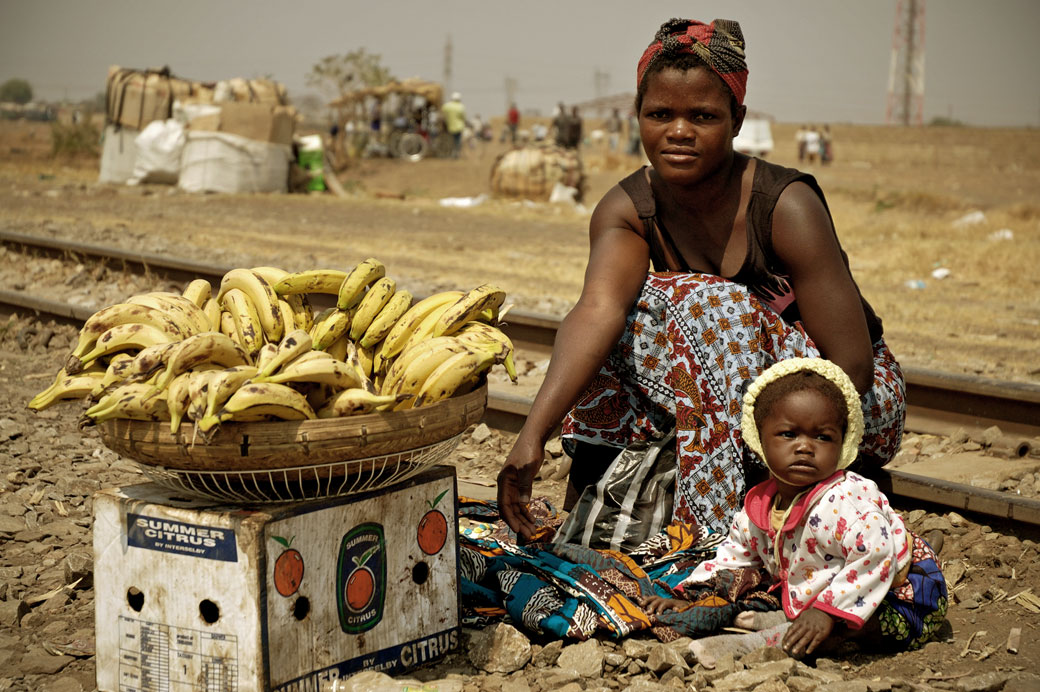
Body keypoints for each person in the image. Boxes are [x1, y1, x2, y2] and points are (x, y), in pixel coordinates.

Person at [497, 17, 905, 542]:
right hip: (732, 402)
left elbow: (852, 364)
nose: (679, 131)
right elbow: (597, 312)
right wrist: (533, 435)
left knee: (705, 303)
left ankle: (720, 536)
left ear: (736, 120)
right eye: (660, 113)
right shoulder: (627, 208)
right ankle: (601, 499)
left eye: (703, 116)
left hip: (843, 406)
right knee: (612, 324)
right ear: (638, 117)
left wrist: (791, 450)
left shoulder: (785, 205)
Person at [639, 359, 947, 664]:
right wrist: (689, 595)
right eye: (789, 434)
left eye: (822, 437)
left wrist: (827, 610)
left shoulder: (845, 501)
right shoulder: (759, 505)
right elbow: (733, 558)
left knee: (842, 632)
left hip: (904, 596)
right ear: (760, 439)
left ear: (842, 445)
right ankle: (788, 619)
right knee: (749, 587)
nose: (805, 447)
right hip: (838, 591)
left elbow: (877, 554)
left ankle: (760, 642)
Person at [441, 92, 467, 159]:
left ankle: (452, 152)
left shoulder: (447, 106)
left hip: (450, 126)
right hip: (459, 127)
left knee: (452, 141)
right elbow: (463, 117)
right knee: (457, 141)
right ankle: (456, 153)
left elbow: (442, 111)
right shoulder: (461, 106)